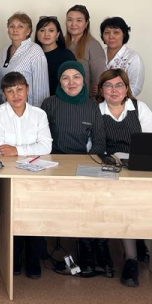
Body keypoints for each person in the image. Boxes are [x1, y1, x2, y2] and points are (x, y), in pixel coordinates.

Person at [40, 61, 107, 278]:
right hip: (55, 164)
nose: (71, 82)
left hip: (84, 164)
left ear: (83, 80)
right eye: (65, 78)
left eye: (76, 77)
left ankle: (91, 246)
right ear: (59, 82)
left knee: (92, 198)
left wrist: (86, 166)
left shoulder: (92, 105)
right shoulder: (49, 103)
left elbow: (99, 142)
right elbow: (42, 138)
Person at [96, 68, 152, 287]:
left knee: (136, 201)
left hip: (139, 168)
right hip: (108, 169)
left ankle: (136, 247)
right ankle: (131, 257)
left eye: (119, 86)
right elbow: (91, 146)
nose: (114, 90)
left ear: (126, 89)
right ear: (101, 90)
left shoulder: (139, 108)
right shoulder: (96, 111)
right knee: (121, 202)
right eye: (108, 86)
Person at [0, 72, 52, 278]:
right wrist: (29, 149)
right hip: (6, 174)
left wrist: (17, 150)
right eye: (10, 91)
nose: (15, 95)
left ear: (27, 90)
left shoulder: (39, 114)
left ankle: (33, 255)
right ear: (4, 94)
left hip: (35, 174)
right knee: (12, 205)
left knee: (35, 205)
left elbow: (46, 146)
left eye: (19, 89)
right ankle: (13, 254)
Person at [0, 13, 49, 107]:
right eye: (11, 26)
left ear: (28, 31)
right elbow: (0, 83)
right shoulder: (3, 51)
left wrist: (37, 112)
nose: (15, 30)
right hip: (6, 108)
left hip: (28, 109)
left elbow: (41, 88)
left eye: (20, 26)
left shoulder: (35, 51)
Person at [65, 5, 106, 98]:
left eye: (79, 20)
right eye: (70, 20)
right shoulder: (61, 43)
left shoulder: (93, 45)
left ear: (86, 23)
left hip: (84, 100)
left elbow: (98, 80)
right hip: (62, 99)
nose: (73, 24)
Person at [100, 17, 145, 97]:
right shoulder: (97, 54)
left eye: (116, 32)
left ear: (124, 34)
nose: (111, 36)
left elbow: (135, 87)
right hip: (98, 101)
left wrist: (115, 98)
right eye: (107, 33)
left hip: (123, 102)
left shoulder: (133, 58)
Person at [34, 16, 75, 97]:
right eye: (42, 30)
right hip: (36, 100)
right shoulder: (33, 55)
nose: (46, 34)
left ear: (57, 34)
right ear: (37, 34)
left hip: (61, 100)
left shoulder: (66, 55)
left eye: (51, 30)